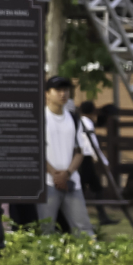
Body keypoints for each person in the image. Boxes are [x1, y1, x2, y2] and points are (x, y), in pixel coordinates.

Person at [42, 76, 95, 237]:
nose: (63, 94)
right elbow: (35, 151)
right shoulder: (40, 117)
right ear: (47, 94)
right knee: (45, 228)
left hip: (71, 181)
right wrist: (54, 174)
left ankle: (89, 258)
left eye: (66, 90)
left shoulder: (73, 118)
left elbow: (79, 151)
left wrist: (67, 174)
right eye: (58, 90)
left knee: (83, 228)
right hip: (47, 182)